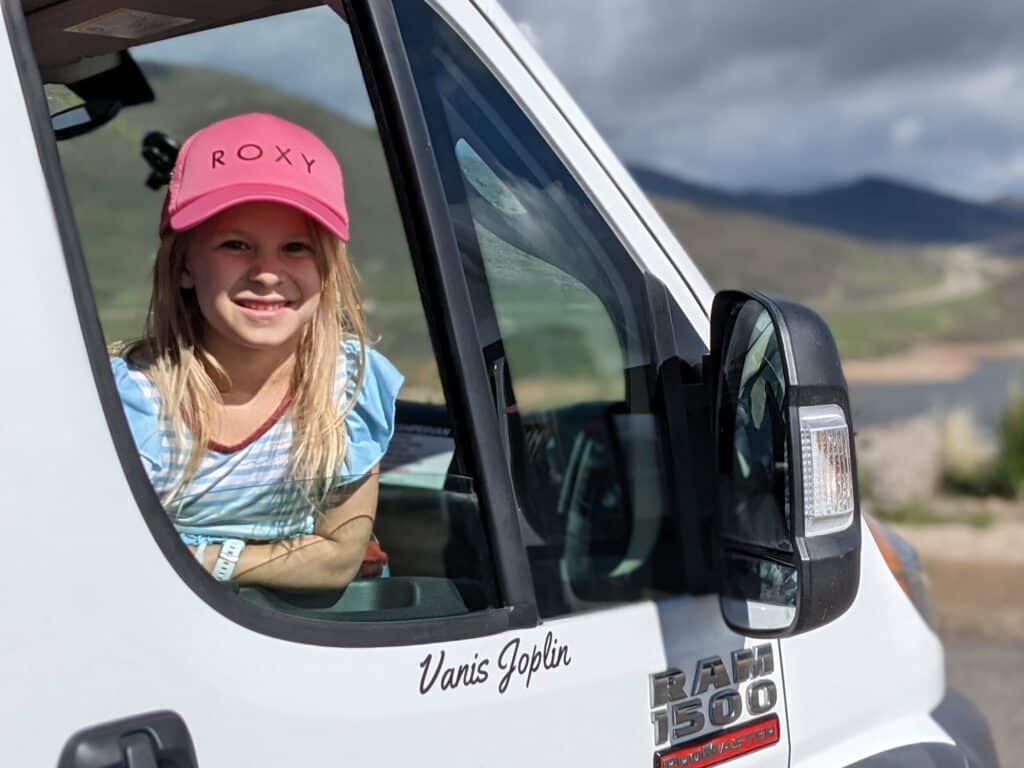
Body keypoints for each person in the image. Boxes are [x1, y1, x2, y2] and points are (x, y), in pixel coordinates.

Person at [109, 112, 403, 588]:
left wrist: (198, 560)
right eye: (235, 245)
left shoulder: (347, 389)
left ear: (327, 268)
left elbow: (336, 558)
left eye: (295, 248)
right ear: (184, 266)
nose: (267, 273)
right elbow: (104, 553)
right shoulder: (128, 401)